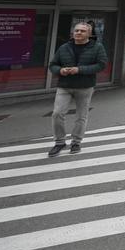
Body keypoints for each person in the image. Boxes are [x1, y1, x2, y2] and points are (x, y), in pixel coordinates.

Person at [46, 22, 108, 156]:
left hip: (85, 86)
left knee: (81, 116)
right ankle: (60, 142)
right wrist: (60, 70)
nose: (78, 33)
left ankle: (76, 142)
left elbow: (102, 65)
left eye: (82, 31)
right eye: (76, 31)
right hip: (65, 86)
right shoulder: (64, 47)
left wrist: (79, 70)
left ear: (89, 34)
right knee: (57, 113)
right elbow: (53, 65)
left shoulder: (97, 47)